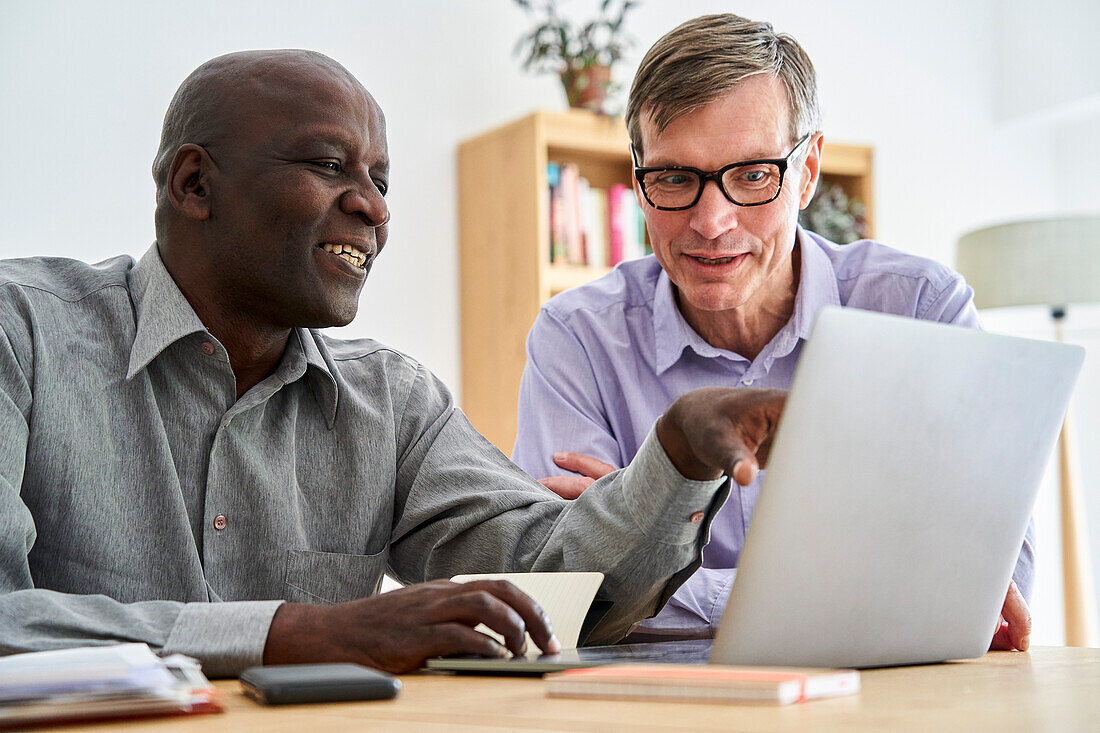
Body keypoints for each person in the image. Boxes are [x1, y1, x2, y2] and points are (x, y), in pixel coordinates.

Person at [0, 49, 789, 677]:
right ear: (195, 183)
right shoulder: (22, 331)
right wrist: (300, 630)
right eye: (328, 165)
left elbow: (559, 589)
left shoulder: (393, 400)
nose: (373, 206)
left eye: (380, 181)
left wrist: (680, 451)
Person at [511, 14, 1033, 652]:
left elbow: (993, 586)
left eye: (753, 175)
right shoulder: (577, 340)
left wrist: (648, 559)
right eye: (675, 178)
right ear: (640, 184)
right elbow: (564, 592)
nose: (711, 221)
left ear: (808, 170)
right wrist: (859, 582)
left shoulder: (921, 310)